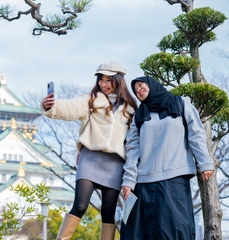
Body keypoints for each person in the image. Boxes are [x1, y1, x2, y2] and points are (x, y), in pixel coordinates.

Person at [41, 61, 138, 240]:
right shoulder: (91, 100)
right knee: (79, 206)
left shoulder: (130, 109)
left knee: (108, 213)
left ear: (118, 81)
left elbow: (135, 141)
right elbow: (71, 107)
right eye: (100, 79)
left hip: (115, 165)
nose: (103, 84)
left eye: (108, 80)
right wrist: (51, 106)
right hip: (90, 159)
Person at [120, 76, 214, 240]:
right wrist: (128, 181)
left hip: (174, 179)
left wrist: (205, 162)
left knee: (174, 231)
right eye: (136, 91)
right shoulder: (139, 115)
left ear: (152, 85)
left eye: (141, 86)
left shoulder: (181, 103)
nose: (139, 90)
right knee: (134, 231)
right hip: (142, 183)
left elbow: (196, 134)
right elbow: (132, 149)